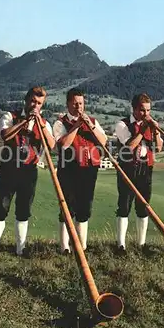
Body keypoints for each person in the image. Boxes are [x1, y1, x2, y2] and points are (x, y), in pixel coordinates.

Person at [0, 86, 56, 256]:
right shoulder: (9, 116)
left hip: (29, 170)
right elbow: (6, 135)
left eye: (39, 103)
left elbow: (52, 145)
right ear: (26, 100)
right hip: (9, 168)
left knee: (24, 210)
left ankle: (21, 248)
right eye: (33, 101)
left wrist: (39, 123)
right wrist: (24, 122)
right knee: (1, 207)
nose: (35, 105)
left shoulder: (44, 123)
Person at [52, 88, 107, 253]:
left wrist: (89, 125)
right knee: (67, 207)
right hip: (69, 169)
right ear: (68, 103)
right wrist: (76, 125)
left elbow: (103, 141)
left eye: (81, 103)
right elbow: (63, 145)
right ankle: (64, 247)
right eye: (75, 103)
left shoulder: (93, 121)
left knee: (85, 207)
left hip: (89, 169)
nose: (79, 107)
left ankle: (81, 246)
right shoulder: (60, 123)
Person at [114, 93, 163, 252]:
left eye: (148, 110)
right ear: (134, 109)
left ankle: (141, 244)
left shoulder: (149, 125)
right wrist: (143, 130)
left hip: (146, 168)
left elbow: (159, 148)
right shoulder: (122, 124)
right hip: (128, 167)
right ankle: (121, 244)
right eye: (142, 110)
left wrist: (155, 132)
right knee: (124, 205)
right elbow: (130, 146)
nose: (146, 114)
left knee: (144, 205)